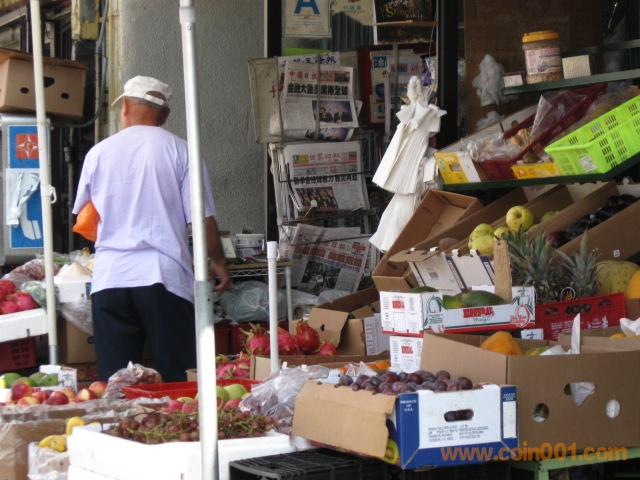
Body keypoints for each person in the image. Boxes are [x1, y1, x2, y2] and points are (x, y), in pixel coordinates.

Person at [72, 75, 232, 382]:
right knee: (177, 379)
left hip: (111, 277)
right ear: (165, 115)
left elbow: (84, 215)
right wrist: (219, 261)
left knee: (118, 384)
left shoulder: (98, 153)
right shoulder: (182, 150)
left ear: (126, 107)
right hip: (164, 277)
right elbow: (203, 219)